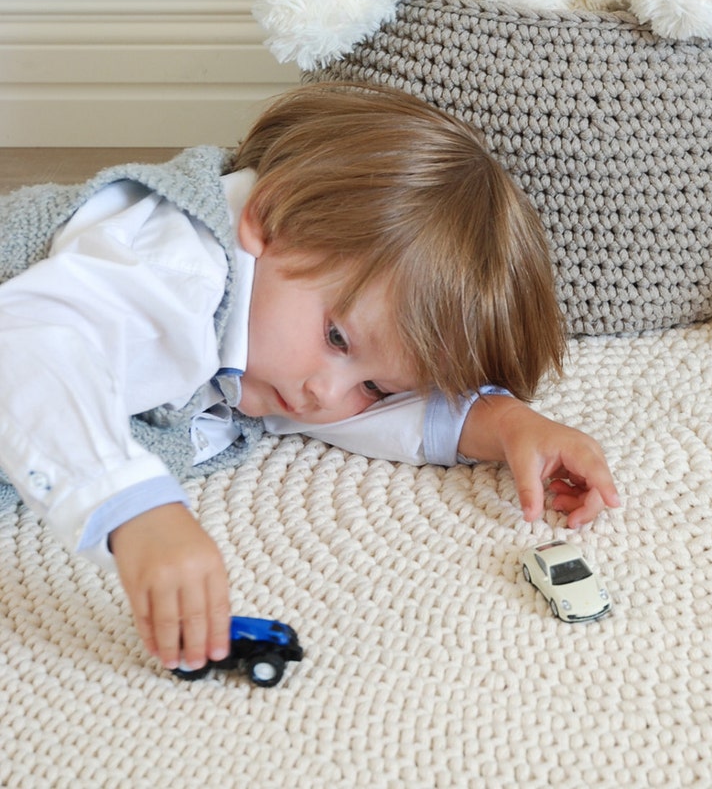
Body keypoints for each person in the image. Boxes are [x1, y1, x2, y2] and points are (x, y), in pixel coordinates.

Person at [0, 82, 619, 674]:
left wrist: (504, 423)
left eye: (373, 387)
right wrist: (135, 509)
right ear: (269, 221)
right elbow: (29, 352)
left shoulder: (277, 321)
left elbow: (382, 415)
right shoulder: (179, 268)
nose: (327, 394)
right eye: (338, 339)